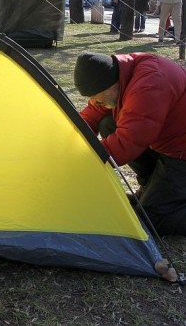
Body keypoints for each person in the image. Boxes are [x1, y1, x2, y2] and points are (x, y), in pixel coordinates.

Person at [73, 51, 186, 236]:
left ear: (110, 84)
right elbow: (91, 116)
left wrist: (84, 163)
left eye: (96, 97)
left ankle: (167, 197)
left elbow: (128, 142)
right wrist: (70, 142)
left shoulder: (150, 84)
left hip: (181, 152)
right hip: (167, 141)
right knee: (107, 123)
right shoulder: (118, 74)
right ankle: (151, 185)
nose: (95, 102)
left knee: (149, 219)